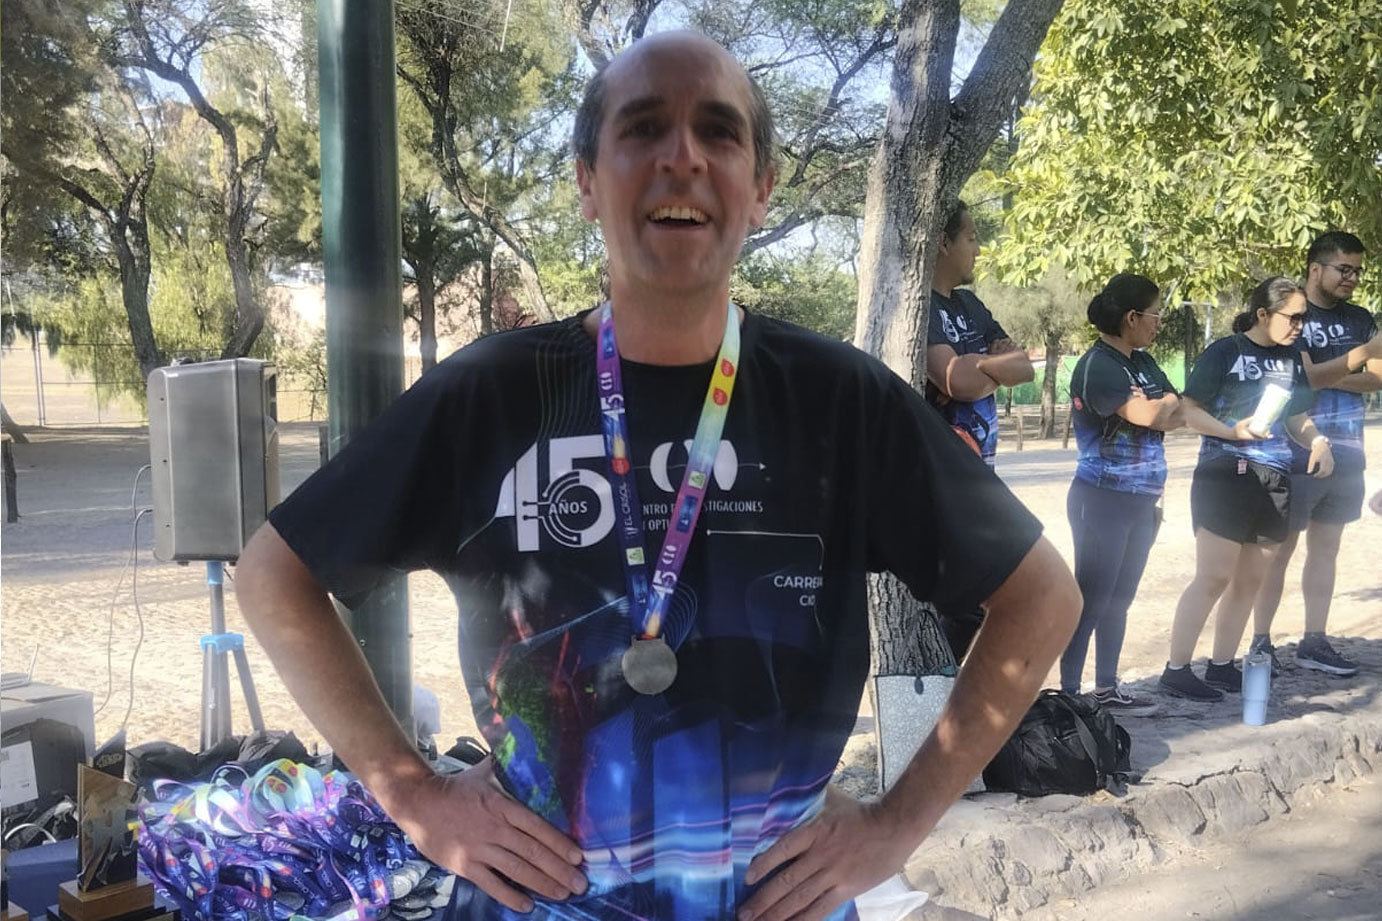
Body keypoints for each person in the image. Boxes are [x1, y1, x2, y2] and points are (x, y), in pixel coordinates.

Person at [236, 32, 1082, 921]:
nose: (683, 156)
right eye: (643, 128)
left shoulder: (841, 401)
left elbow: (1041, 598)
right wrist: (414, 794)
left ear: (761, 187)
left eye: (719, 131)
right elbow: (274, 576)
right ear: (586, 181)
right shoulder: (490, 396)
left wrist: (895, 825)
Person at [1159, 277, 1382, 702]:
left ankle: (1222, 665)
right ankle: (1177, 670)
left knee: (1250, 579)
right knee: (1214, 576)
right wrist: (1231, 432)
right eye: (1292, 318)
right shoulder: (1225, 352)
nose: (1300, 326)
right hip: (1226, 472)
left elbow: (1296, 417)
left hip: (1276, 475)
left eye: (1303, 318)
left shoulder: (1291, 359)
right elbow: (1189, 411)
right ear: (1263, 314)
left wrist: (1318, 441)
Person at [1247, 233, 1379, 677]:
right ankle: (1260, 643)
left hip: (1350, 450)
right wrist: (1358, 359)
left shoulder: (1360, 317)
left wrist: (1325, 374)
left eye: (1358, 270)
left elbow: (1377, 378)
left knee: (1327, 550)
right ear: (1315, 269)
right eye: (1344, 269)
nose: (1352, 278)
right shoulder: (1294, 313)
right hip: (1294, 450)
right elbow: (1301, 379)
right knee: (1278, 551)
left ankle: (1314, 641)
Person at [1061, 275, 1184, 715]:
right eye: (1155, 315)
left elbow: (1179, 410)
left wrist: (1163, 407)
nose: (1159, 323)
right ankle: (1069, 695)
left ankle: (1107, 687)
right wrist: (1162, 406)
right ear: (1132, 317)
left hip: (1142, 502)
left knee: (1120, 600)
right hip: (1101, 500)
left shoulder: (1143, 362)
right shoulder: (1099, 365)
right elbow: (1152, 414)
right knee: (1091, 600)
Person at [924, 201, 1036, 660]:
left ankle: (952, 692)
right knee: (958, 607)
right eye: (971, 238)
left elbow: (1024, 366)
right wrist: (991, 365)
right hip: (939, 483)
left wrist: (981, 365)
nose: (978, 248)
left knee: (982, 603)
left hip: (979, 479)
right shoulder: (921, 305)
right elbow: (957, 381)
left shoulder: (970, 305)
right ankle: (940, 694)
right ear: (943, 242)